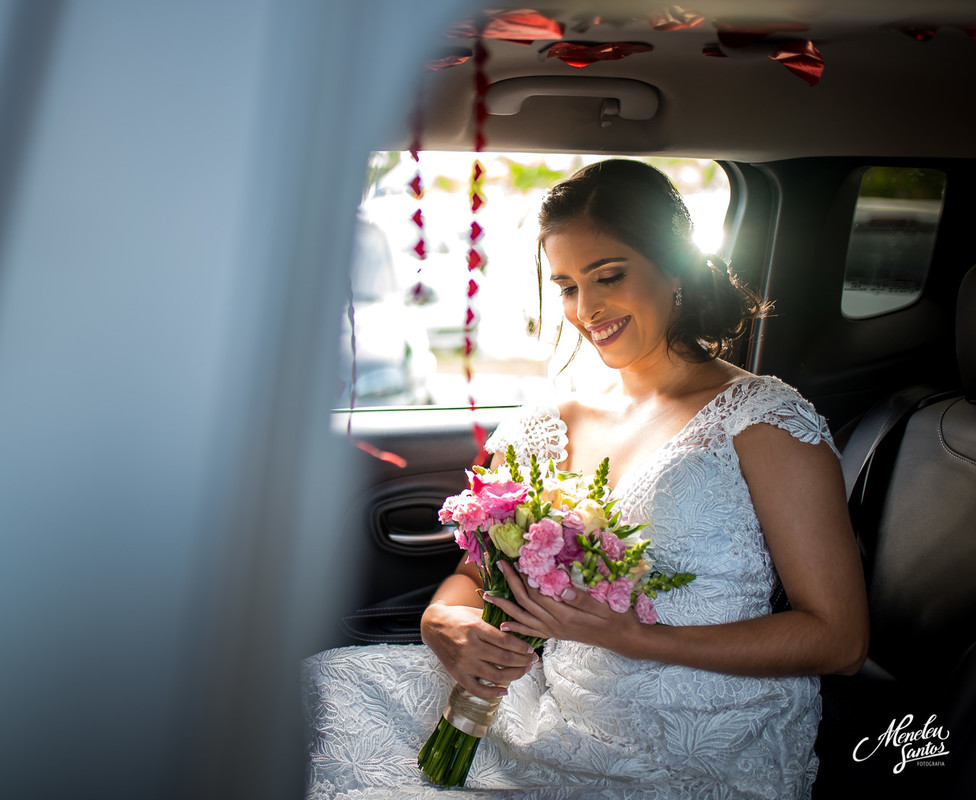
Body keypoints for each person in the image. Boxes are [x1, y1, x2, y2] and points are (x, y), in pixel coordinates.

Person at [302, 159, 869, 799]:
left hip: (706, 744)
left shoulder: (766, 422)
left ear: (675, 266)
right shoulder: (545, 422)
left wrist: (637, 637)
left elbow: (838, 638)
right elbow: (474, 575)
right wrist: (445, 626)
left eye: (609, 276)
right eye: (568, 286)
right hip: (557, 715)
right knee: (332, 691)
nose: (587, 308)